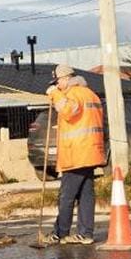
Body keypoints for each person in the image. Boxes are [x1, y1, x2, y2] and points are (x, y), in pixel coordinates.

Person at [45, 63, 105, 245]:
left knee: (67, 195)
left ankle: (59, 233)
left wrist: (54, 94)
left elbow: (69, 111)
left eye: (58, 82)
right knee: (86, 194)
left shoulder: (73, 94)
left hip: (76, 154)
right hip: (91, 151)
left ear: (64, 79)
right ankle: (85, 233)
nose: (58, 86)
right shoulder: (91, 94)